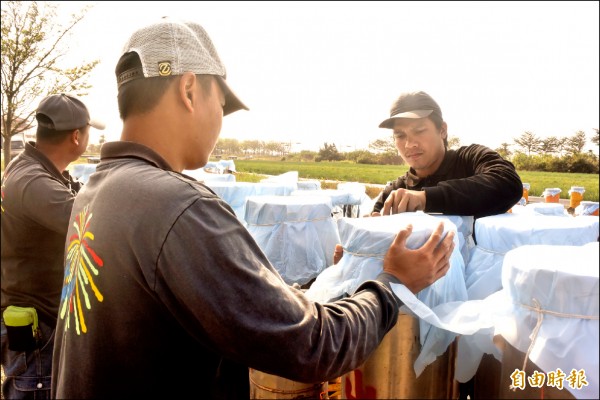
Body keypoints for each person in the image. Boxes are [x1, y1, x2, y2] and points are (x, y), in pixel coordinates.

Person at [50, 18, 455, 399]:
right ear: (189, 90)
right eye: (221, 105)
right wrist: (391, 283)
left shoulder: (97, 191)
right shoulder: (179, 207)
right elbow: (314, 346)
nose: (219, 122)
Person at [1, 94, 104, 399]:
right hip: (37, 329)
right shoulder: (34, 182)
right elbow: (94, 224)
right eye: (88, 132)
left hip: (37, 316)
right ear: (76, 137)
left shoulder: (38, 170)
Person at [369, 90, 523, 219]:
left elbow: (507, 182)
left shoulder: (470, 159)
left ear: (442, 130)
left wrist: (425, 198)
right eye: (400, 135)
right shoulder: (396, 192)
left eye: (419, 131)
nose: (410, 144)